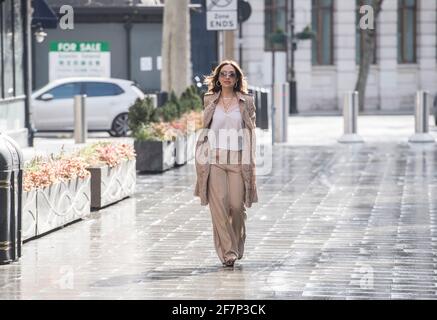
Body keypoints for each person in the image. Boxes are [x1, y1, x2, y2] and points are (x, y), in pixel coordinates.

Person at [194, 60, 258, 267]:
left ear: (237, 78)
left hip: (239, 160)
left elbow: (251, 130)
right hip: (214, 160)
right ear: (218, 78)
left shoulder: (246, 101)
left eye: (232, 74)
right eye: (224, 74)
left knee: (236, 206)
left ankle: (238, 242)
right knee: (219, 207)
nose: (227, 77)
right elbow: (205, 127)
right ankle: (228, 252)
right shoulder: (209, 99)